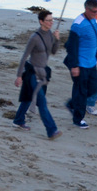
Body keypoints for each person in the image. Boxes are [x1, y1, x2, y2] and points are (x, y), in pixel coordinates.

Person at [13, 10, 62, 139]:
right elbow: (24, 57)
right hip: (32, 73)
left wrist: (57, 40)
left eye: (52, 20)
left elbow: (54, 51)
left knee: (28, 98)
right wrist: (19, 76)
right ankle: (52, 130)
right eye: (49, 20)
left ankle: (18, 120)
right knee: (41, 101)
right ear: (41, 21)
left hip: (43, 72)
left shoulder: (50, 35)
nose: (51, 22)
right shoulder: (34, 37)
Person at [63, 0, 97, 129]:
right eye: (94, 11)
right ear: (87, 9)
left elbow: (94, 36)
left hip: (91, 62)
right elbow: (71, 46)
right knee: (81, 91)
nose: (96, 13)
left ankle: (73, 104)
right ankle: (78, 119)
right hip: (80, 63)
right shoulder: (78, 24)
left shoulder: (92, 19)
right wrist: (74, 65)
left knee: (93, 88)